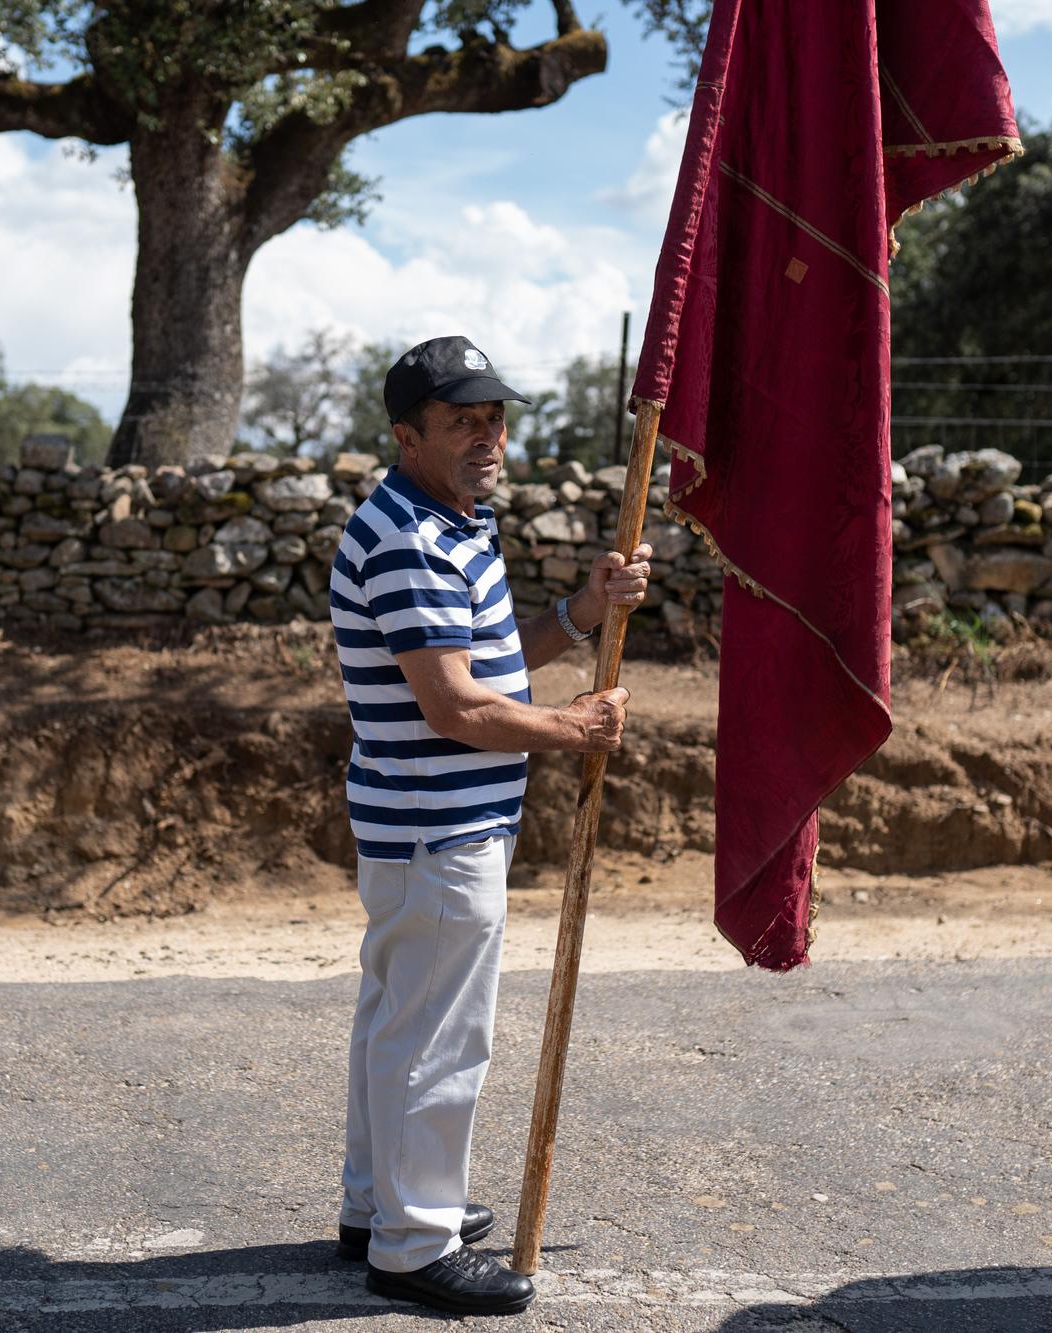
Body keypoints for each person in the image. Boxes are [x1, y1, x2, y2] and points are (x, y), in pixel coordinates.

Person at [328, 335, 654, 1315]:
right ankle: (413, 1242)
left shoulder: (450, 522)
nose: (484, 435)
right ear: (405, 436)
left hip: (430, 823)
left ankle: (373, 1207)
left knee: (397, 1019)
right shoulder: (409, 539)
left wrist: (582, 610)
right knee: (436, 1035)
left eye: (492, 416)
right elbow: (454, 707)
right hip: (437, 826)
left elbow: (487, 657)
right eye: (459, 420)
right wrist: (572, 726)